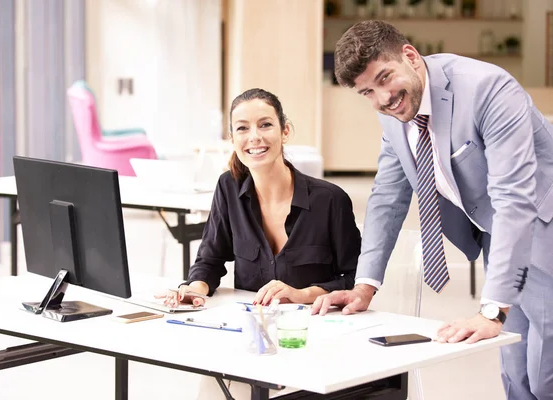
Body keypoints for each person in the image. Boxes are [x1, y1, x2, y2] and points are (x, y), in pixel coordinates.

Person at [310, 20, 553, 400]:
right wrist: (364, 286)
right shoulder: (393, 112)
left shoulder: (489, 89)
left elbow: (513, 198)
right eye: (367, 92)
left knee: (544, 376)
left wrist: (491, 311)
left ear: (409, 55)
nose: (382, 99)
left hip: (542, 227)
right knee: (516, 373)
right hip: (500, 236)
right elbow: (387, 196)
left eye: (385, 79)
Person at [158, 88, 361, 398]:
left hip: (312, 343)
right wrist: (194, 290)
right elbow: (210, 260)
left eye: (265, 124)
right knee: (210, 386)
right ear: (232, 138)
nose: (254, 137)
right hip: (254, 342)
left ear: (285, 130)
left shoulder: (330, 200)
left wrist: (302, 294)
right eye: (242, 128)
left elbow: (356, 279)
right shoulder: (228, 187)